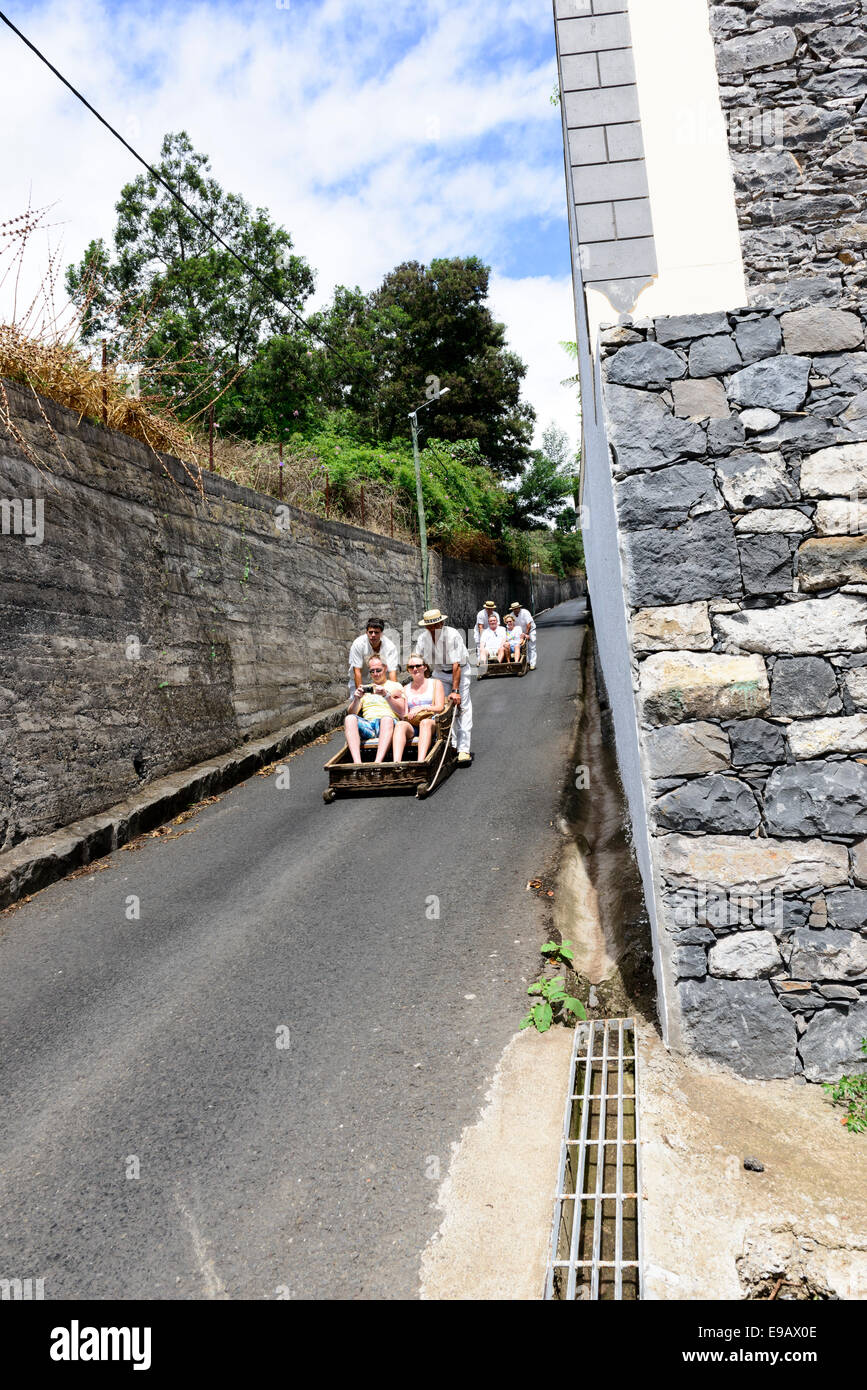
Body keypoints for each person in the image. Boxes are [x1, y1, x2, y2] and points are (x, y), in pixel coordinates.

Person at [412, 609, 473, 764]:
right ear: (426, 626)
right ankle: (450, 745)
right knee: (441, 708)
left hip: (460, 671)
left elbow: (456, 665)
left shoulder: (452, 635)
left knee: (461, 708)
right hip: (439, 672)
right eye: (430, 626)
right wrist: (418, 684)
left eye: (436, 624)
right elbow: (417, 661)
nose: (433, 628)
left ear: (441, 623)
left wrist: (455, 691)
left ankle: (464, 750)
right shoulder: (423, 638)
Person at [344, 657, 406, 763]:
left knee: (386, 719)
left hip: (388, 724)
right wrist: (356, 699)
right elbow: (352, 712)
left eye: (378, 670)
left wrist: (387, 695)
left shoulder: (395, 686)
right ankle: (357, 763)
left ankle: (377, 762)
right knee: (349, 718)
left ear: (385, 668)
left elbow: (402, 711)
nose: (376, 674)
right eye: (372, 671)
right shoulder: (366, 688)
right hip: (369, 725)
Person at [392, 656, 445, 763]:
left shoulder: (435, 683)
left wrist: (422, 708)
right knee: (400, 725)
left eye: (418, 666)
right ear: (408, 670)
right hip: (413, 723)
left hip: (432, 720)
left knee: (425, 723)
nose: (415, 669)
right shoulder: (406, 688)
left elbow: (440, 707)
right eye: (411, 667)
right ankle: (396, 763)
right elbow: (404, 713)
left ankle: (420, 762)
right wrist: (392, 697)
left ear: (424, 667)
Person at [348, 618, 399, 692]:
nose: (373, 635)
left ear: (382, 633)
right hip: (361, 681)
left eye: (376, 632)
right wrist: (360, 695)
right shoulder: (358, 644)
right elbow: (357, 671)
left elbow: (392, 672)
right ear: (366, 632)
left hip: (382, 683)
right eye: (370, 632)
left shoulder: (390, 647)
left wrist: (395, 694)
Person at [509, 601, 537, 669]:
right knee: (523, 648)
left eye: (516, 608)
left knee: (531, 647)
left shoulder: (525, 612)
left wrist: (526, 634)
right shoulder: (511, 615)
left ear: (519, 608)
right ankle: (527, 662)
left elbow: (529, 624)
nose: (515, 610)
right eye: (514, 609)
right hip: (520, 633)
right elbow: (512, 625)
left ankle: (532, 663)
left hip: (530, 631)